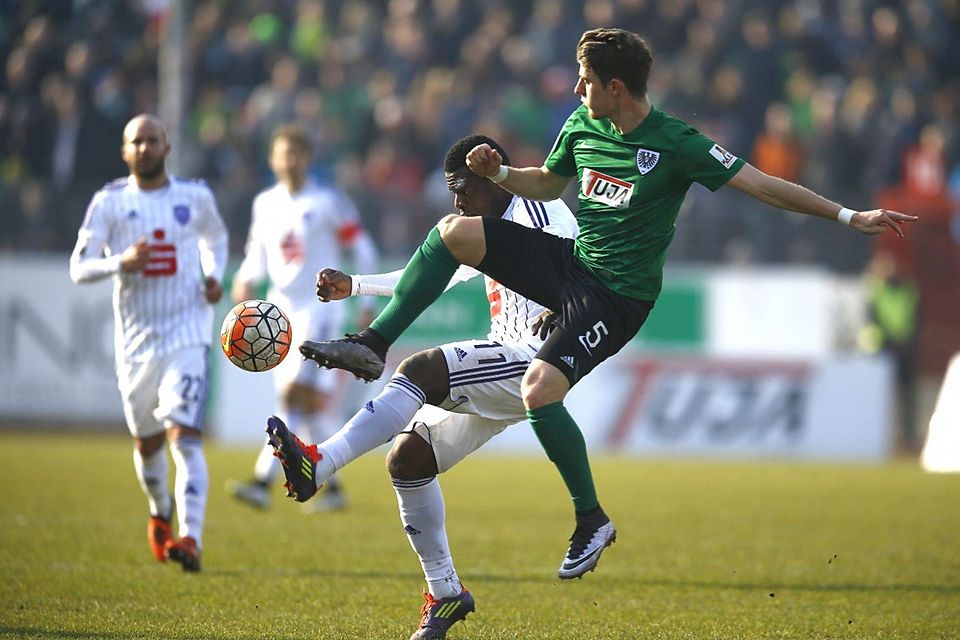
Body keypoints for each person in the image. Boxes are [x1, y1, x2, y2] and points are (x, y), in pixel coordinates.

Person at [290, 26, 917, 588]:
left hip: (618, 297)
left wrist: (847, 215)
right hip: (574, 266)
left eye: (586, 80)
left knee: (539, 388)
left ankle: (590, 518)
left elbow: (763, 186)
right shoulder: (582, 126)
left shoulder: (677, 144)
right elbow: (547, 182)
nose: (577, 89)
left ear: (616, 87)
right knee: (455, 232)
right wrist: (503, 174)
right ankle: (372, 344)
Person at [266, 134, 580, 640]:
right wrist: (357, 285)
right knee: (408, 459)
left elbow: (579, 268)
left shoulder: (542, 212)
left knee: (420, 370)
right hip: (505, 360)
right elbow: (427, 273)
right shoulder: (482, 228)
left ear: (492, 179)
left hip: (536, 361)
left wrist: (563, 307)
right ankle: (445, 592)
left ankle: (320, 463)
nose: (457, 203)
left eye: (463, 190)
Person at [69, 114, 228, 572]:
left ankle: (191, 538)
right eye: (136, 142)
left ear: (167, 147)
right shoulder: (109, 202)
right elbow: (79, 267)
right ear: (125, 151)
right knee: (148, 446)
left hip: (188, 333)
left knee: (185, 437)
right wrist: (121, 262)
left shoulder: (194, 196)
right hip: (136, 342)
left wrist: (214, 275)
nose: (145, 148)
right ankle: (161, 511)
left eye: (152, 140)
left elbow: (216, 239)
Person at [225, 123, 378, 513]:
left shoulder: (327, 201)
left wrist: (365, 296)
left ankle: (262, 482)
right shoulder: (265, 204)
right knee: (305, 407)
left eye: (296, 153)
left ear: (308, 158)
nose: (289, 160)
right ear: (272, 159)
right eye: (283, 153)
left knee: (293, 397)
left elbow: (362, 247)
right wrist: (244, 281)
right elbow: (256, 256)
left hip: (319, 310)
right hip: (277, 315)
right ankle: (334, 488)